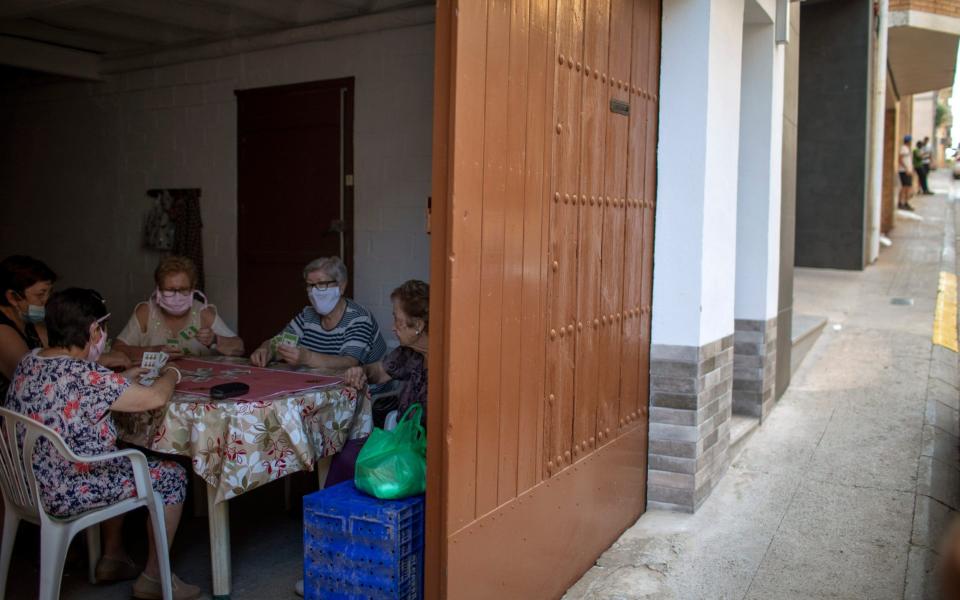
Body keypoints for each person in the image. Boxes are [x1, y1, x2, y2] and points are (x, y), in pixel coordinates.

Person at [5, 288, 201, 599]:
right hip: (68, 489)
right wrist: (172, 373)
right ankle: (154, 578)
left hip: (26, 483)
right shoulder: (88, 377)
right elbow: (156, 397)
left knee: (125, 454)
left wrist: (122, 377)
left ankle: (113, 557)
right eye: (102, 329)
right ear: (95, 329)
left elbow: (76, 389)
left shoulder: (31, 360)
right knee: (171, 475)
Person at [250, 256, 387, 378]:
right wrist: (265, 349)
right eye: (310, 285)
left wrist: (307, 358)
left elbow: (349, 363)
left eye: (321, 284)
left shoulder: (358, 318)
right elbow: (281, 343)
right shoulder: (307, 315)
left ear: (341, 286)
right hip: (322, 389)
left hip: (368, 399)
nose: (315, 291)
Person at [114, 256, 244, 361]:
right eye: (170, 290)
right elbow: (117, 349)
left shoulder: (203, 313)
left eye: (183, 290)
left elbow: (239, 347)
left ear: (192, 289)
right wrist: (153, 351)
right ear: (158, 290)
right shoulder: (146, 312)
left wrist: (216, 340)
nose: (177, 296)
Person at [343, 279, 429, 427]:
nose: (393, 327)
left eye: (397, 320)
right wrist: (361, 371)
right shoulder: (409, 353)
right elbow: (379, 372)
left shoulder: (449, 364)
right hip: (404, 441)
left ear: (418, 325)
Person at [898, 134, 915, 211]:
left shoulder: (907, 149)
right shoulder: (903, 148)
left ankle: (905, 202)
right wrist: (906, 169)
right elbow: (900, 159)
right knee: (905, 187)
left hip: (908, 170)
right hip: (904, 171)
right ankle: (902, 202)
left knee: (907, 187)